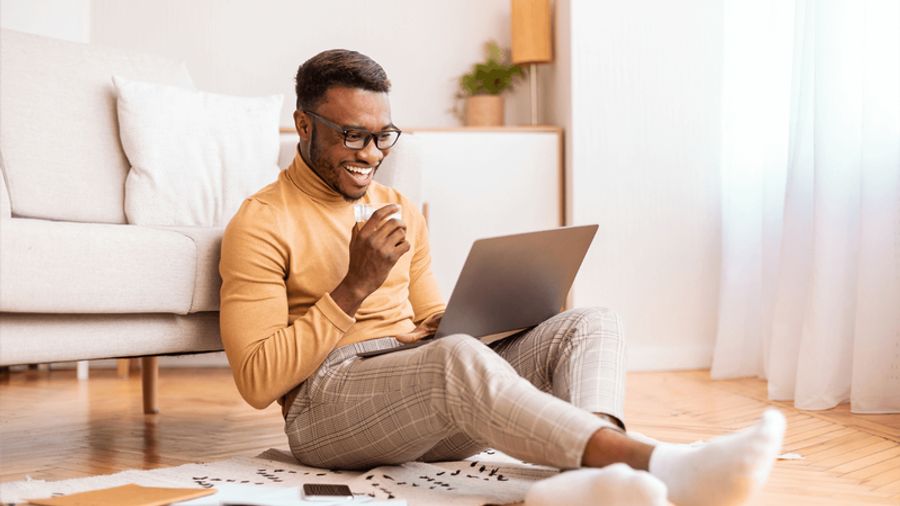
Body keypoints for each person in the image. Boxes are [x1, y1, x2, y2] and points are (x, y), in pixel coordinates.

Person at [219, 49, 786, 506]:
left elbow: (431, 320)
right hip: (327, 412)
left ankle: (589, 480)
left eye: (382, 135)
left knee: (589, 323)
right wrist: (353, 288)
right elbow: (257, 380)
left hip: (426, 394)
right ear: (302, 125)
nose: (372, 154)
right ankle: (654, 463)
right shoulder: (261, 221)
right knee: (455, 359)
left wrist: (492, 316)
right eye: (352, 136)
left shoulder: (398, 206)